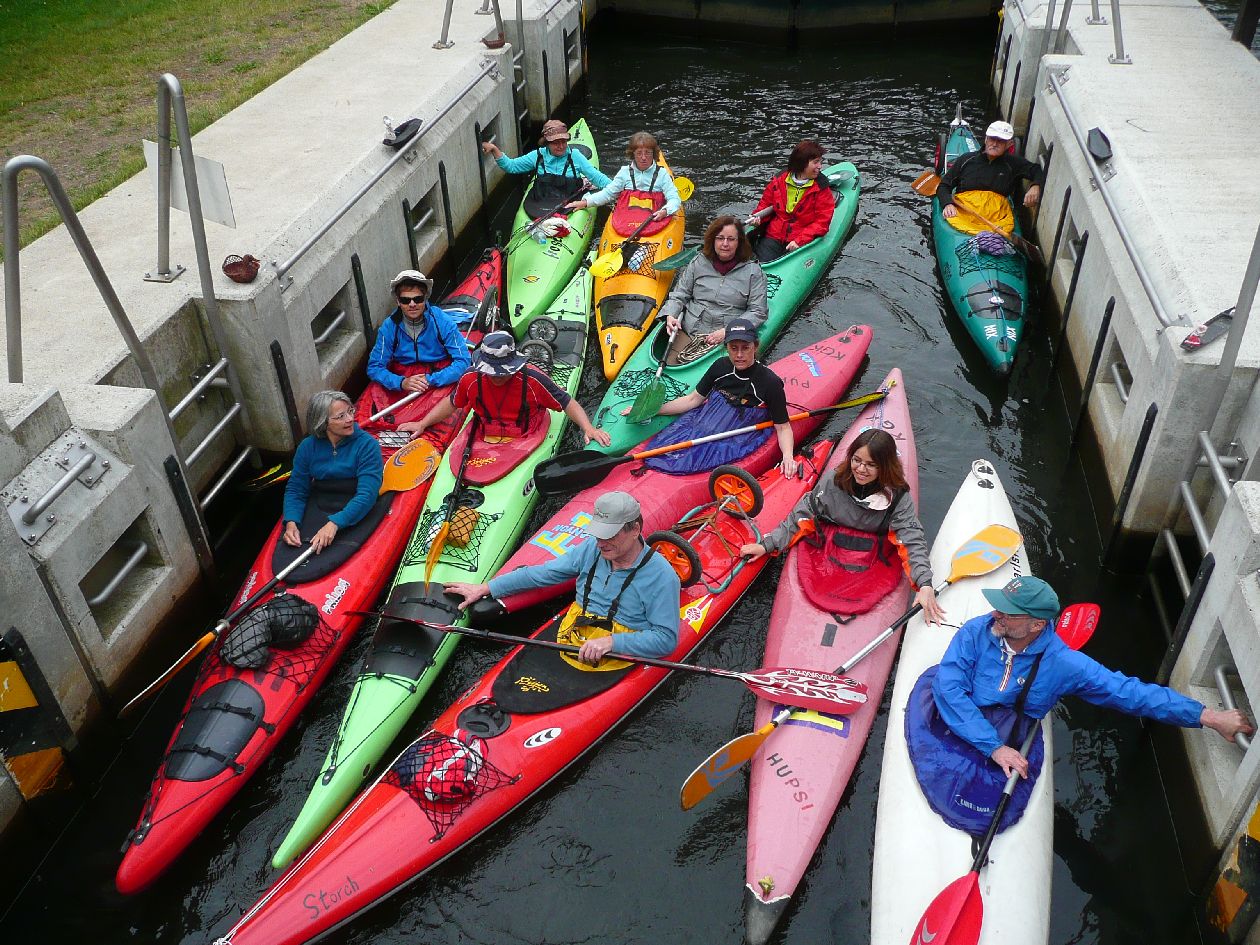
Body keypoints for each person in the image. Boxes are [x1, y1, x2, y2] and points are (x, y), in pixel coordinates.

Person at [934, 576, 1254, 780]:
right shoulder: (976, 631)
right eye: (998, 607)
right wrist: (993, 747)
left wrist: (1208, 716)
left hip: (1009, 724)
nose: (995, 614)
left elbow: (1127, 692)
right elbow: (948, 689)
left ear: (1037, 625)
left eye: (1007, 612)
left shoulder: (1064, 665)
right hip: (971, 723)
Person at [446, 492, 681, 663]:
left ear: (635, 530)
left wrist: (612, 642)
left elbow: (665, 640)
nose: (601, 543)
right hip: (576, 630)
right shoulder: (592, 548)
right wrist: (487, 587)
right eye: (598, 534)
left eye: (609, 535)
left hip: (620, 648)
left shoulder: (662, 577)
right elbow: (542, 574)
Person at [741, 429, 942, 622]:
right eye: (857, 460)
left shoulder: (898, 497)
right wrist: (768, 545)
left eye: (871, 465)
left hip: (873, 556)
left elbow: (911, 538)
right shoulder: (833, 481)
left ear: (885, 466)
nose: (860, 470)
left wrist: (924, 583)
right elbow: (802, 515)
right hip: (829, 548)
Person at [631, 318, 798, 478]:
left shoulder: (770, 382)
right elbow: (693, 400)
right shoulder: (720, 366)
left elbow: (783, 427)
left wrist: (788, 457)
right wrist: (651, 410)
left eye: (745, 348)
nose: (739, 354)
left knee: (691, 458)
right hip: (706, 420)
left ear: (755, 346)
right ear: (727, 348)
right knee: (663, 450)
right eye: (734, 348)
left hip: (737, 432)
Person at [398, 330, 611, 447]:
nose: (497, 376)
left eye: (502, 371)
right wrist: (422, 423)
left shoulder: (534, 379)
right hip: (486, 433)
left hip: (527, 435)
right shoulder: (470, 378)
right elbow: (453, 402)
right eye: (492, 371)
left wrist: (588, 428)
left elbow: (566, 402)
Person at [282, 390, 385, 553]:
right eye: (341, 416)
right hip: (323, 499)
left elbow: (367, 494)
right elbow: (296, 489)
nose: (350, 419)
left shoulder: (367, 445)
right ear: (323, 422)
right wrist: (291, 521)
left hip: (355, 499)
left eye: (350, 411)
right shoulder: (307, 447)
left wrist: (335, 523)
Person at [660, 215, 768, 366]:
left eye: (731, 239)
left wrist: (729, 331)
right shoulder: (698, 262)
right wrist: (671, 314)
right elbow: (679, 294)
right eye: (720, 238)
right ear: (713, 240)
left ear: (739, 242)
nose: (725, 244)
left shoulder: (753, 272)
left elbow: (758, 311)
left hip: (729, 336)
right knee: (671, 365)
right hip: (690, 330)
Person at [366, 270, 471, 396]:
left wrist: (429, 380)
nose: (412, 304)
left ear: (425, 298)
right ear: (398, 301)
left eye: (418, 299)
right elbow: (374, 367)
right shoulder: (389, 327)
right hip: (404, 377)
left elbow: (463, 361)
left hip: (439, 373)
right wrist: (401, 382)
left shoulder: (442, 321)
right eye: (405, 300)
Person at [937, 120, 1043, 234]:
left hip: (997, 218)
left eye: (1001, 141)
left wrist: (1035, 186)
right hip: (964, 213)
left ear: (1009, 144)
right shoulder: (966, 160)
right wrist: (948, 203)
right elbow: (944, 186)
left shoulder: (1014, 163)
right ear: (986, 139)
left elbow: (1036, 169)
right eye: (992, 139)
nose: (995, 144)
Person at [482, 119, 611, 212]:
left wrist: (616, 189)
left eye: (563, 141)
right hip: (541, 202)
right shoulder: (537, 156)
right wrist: (494, 149)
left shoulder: (575, 156)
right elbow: (511, 166)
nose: (561, 146)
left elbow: (597, 178)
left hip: (571, 201)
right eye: (555, 142)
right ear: (547, 143)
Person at [749, 139, 836, 263]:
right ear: (802, 163)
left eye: (820, 162)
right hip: (774, 236)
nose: (820, 166)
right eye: (815, 162)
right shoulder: (778, 181)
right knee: (761, 261)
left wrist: (800, 240)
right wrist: (757, 218)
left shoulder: (821, 188)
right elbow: (765, 204)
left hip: (801, 239)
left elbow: (822, 222)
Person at [565, 131, 681, 222]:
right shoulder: (624, 172)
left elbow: (674, 199)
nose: (643, 157)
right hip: (628, 219)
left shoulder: (662, 174)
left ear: (654, 154)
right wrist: (585, 202)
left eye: (648, 153)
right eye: (639, 153)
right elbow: (608, 194)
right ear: (633, 154)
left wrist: (665, 211)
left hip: (655, 217)